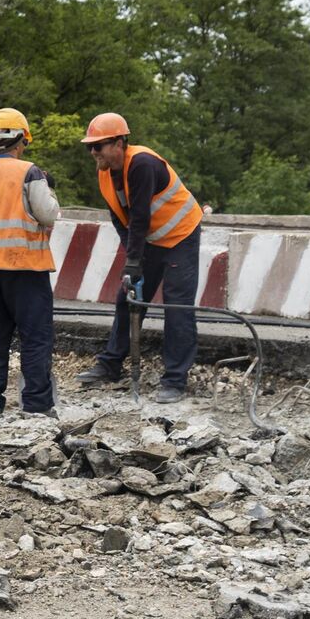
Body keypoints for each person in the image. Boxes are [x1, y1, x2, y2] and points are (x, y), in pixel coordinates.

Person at [76, 113, 202, 403]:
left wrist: (135, 259)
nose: (93, 152)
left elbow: (141, 215)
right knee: (129, 297)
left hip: (180, 235)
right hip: (150, 239)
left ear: (119, 143)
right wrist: (133, 260)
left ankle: (174, 379)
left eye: (99, 146)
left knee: (176, 304)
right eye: (90, 147)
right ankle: (110, 365)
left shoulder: (142, 164)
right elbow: (122, 220)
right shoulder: (105, 173)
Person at [0, 108, 60, 415]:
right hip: (26, 268)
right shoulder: (29, 173)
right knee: (35, 338)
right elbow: (48, 215)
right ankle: (36, 406)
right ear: (21, 141)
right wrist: (49, 188)